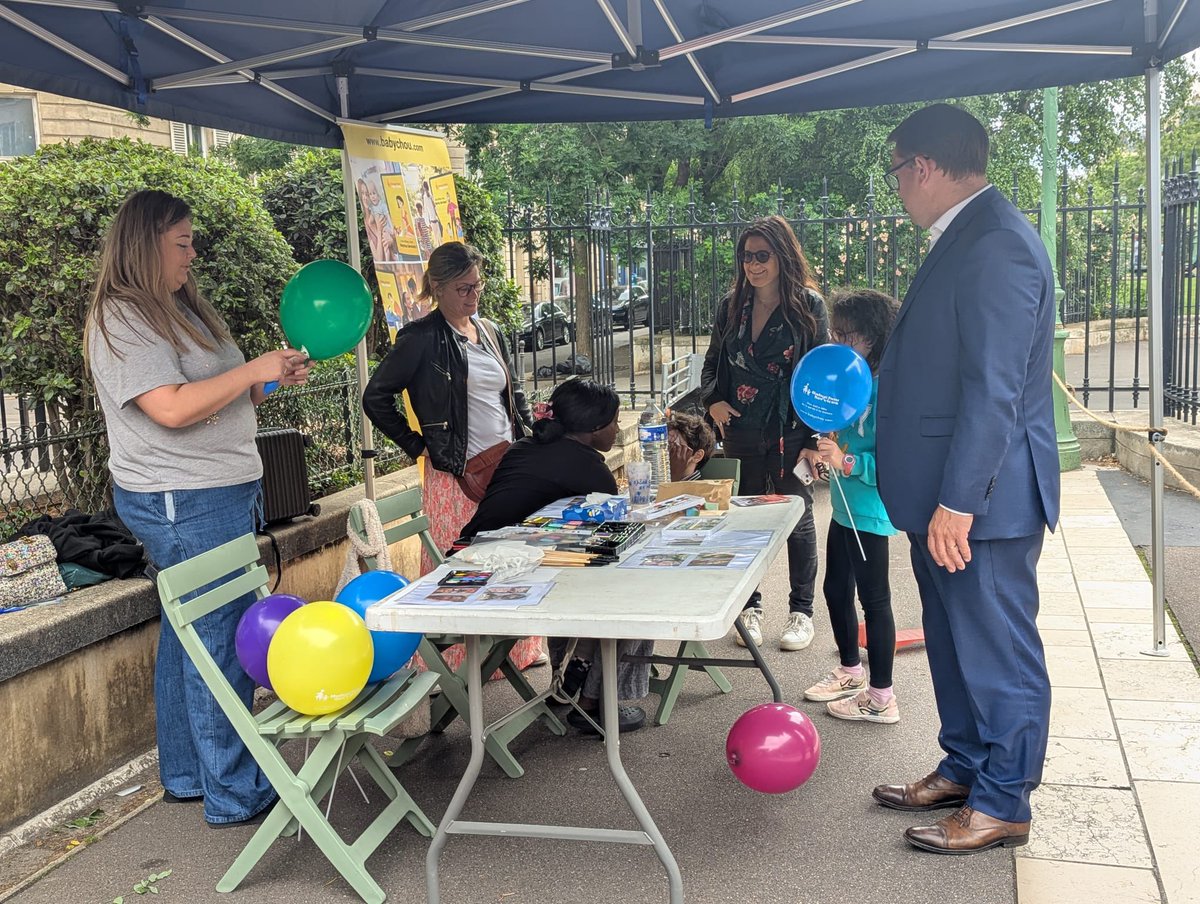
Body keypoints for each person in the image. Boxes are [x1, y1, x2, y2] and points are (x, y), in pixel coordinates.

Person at [85, 189, 312, 827]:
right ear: (145, 244)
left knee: (190, 640)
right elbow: (172, 407)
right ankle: (235, 792)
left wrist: (267, 380)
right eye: (181, 242)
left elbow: (216, 400)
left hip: (214, 488)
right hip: (182, 496)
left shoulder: (184, 310)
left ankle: (189, 775)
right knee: (217, 640)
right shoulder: (124, 319)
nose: (193, 253)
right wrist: (249, 374)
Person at [873, 104, 1060, 854]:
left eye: (896, 173)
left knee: (996, 651)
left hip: (980, 502)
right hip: (947, 498)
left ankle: (1004, 800)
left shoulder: (996, 246)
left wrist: (958, 501)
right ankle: (968, 767)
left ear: (920, 167)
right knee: (954, 645)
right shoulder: (971, 237)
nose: (897, 189)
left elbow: (996, 390)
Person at [362, 241, 544, 671]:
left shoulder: (491, 331)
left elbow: (511, 393)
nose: (473, 296)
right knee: (462, 569)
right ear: (438, 288)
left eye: (477, 286)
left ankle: (514, 655)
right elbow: (376, 397)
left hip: (505, 465)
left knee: (512, 559)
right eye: (463, 288)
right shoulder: (421, 339)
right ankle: (456, 664)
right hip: (456, 474)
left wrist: (531, 436)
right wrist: (416, 444)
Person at [457, 379, 650, 734]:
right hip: (497, 575)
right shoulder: (588, 467)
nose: (617, 429)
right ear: (593, 428)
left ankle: (574, 674)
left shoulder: (527, 446)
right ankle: (596, 701)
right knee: (631, 592)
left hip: (469, 554)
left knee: (592, 576)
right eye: (614, 421)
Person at [699, 215, 829, 652]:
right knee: (745, 518)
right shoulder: (731, 305)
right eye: (746, 257)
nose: (753, 265)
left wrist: (815, 437)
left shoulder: (808, 306)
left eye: (762, 256)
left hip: (792, 429)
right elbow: (713, 360)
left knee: (797, 516)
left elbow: (821, 373)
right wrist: (712, 400)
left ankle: (801, 612)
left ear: (782, 256)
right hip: (739, 427)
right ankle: (750, 607)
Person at [802, 289, 901, 724]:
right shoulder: (852, 379)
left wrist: (847, 461)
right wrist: (827, 454)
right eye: (835, 335)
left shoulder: (889, 388)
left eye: (850, 336)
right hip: (844, 507)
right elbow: (842, 433)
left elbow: (896, 464)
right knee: (835, 590)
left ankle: (882, 698)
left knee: (874, 602)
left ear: (875, 337)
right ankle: (849, 671)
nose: (840, 345)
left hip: (869, 511)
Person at [667, 411, 715, 481]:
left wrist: (674, 477)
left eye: (672, 445)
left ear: (697, 456)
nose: (666, 452)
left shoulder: (704, 489)